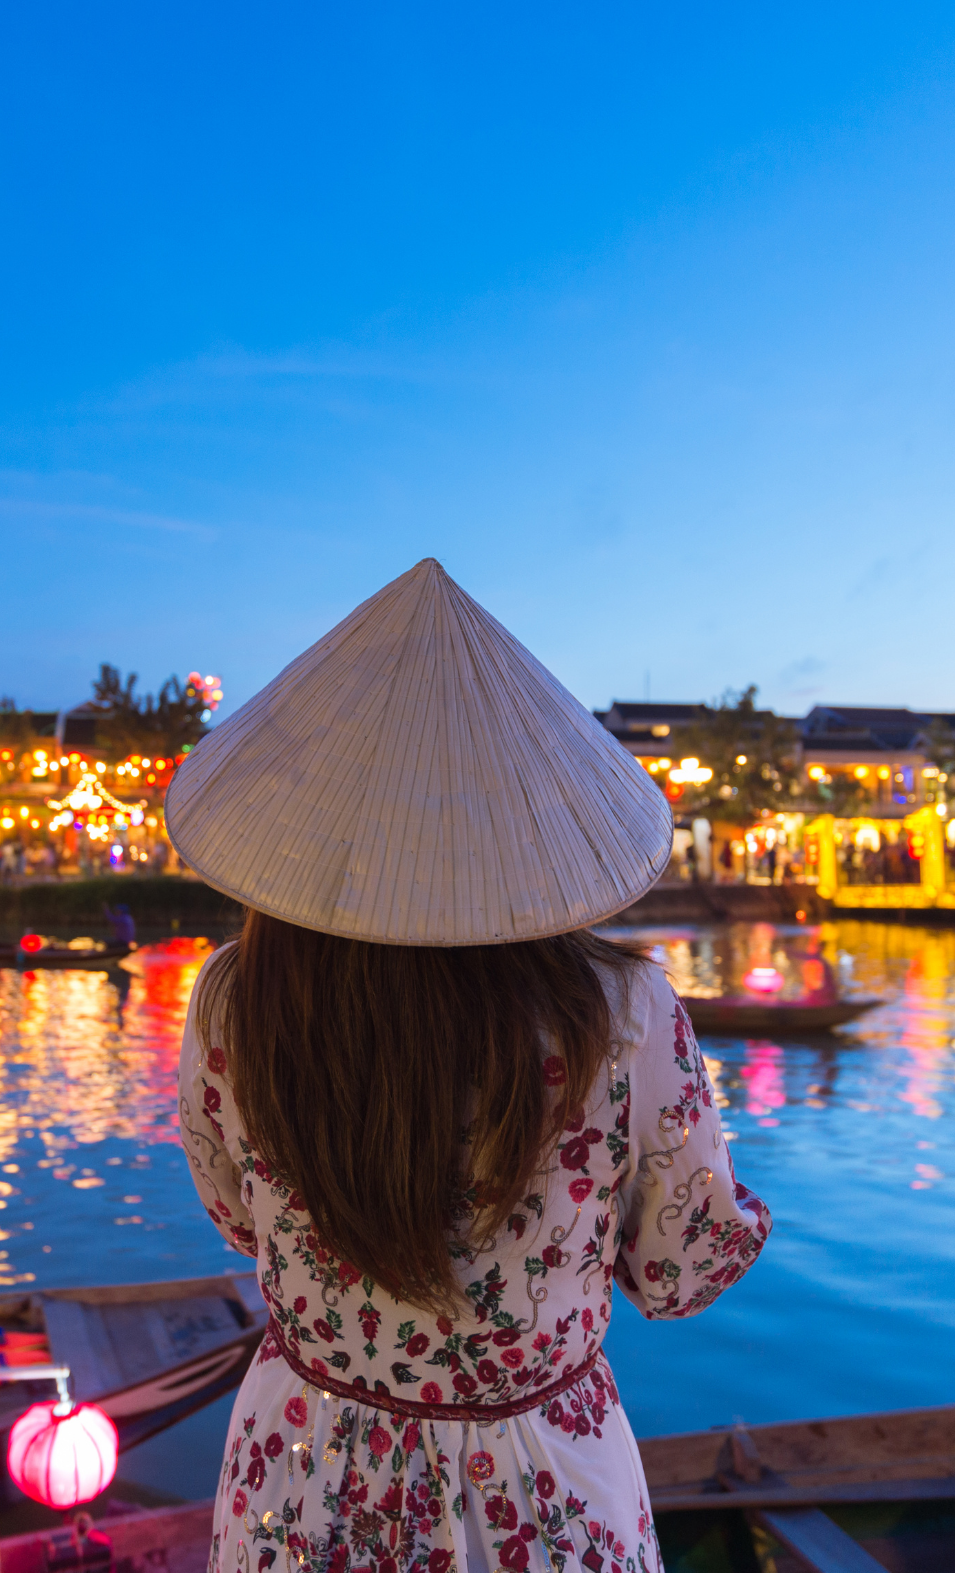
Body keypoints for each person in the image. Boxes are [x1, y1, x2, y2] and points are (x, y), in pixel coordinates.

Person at [169, 561, 770, 1573]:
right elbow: (677, 1270)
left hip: (306, 1473)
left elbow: (236, 1214)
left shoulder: (234, 996)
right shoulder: (623, 1011)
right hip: (540, 1491)